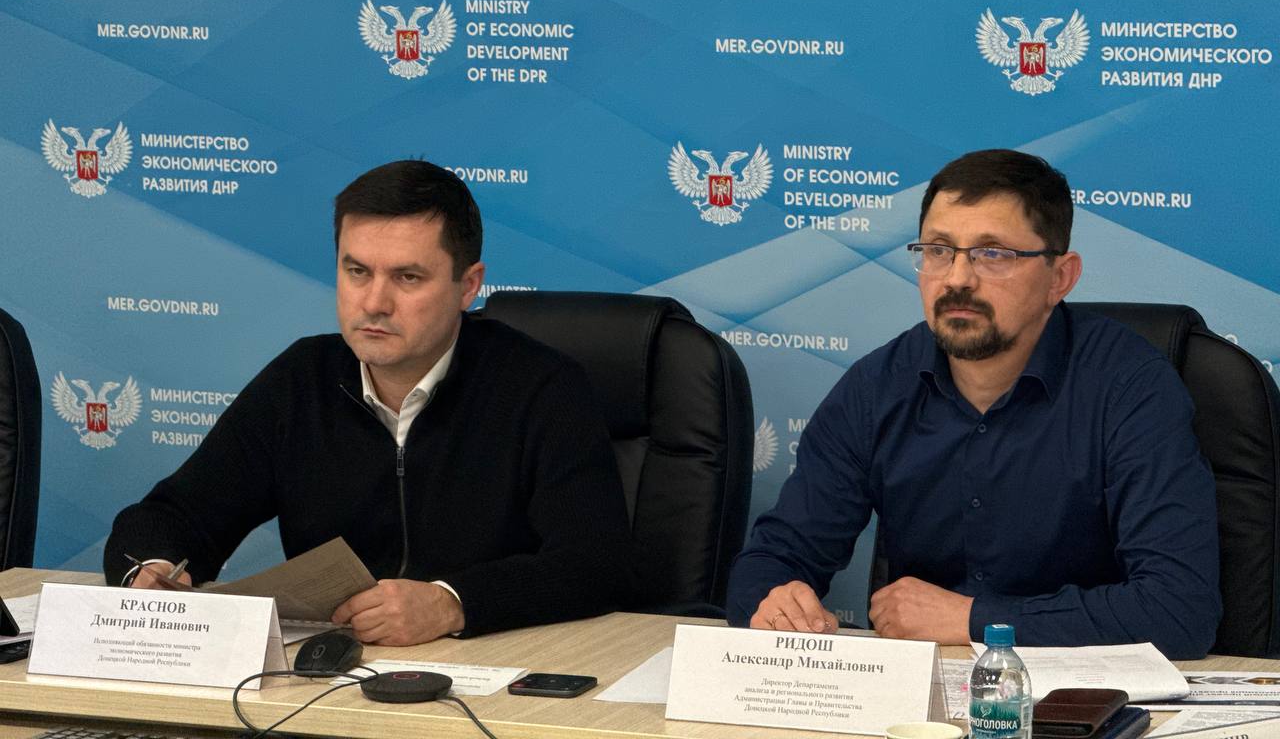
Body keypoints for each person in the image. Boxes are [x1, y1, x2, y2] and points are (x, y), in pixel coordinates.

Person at [105, 160, 633, 644]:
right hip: (337, 676)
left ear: (468, 285)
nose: (375, 303)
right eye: (357, 271)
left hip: (501, 666)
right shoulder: (301, 379)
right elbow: (173, 515)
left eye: (407, 277)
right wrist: (151, 570)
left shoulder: (540, 386)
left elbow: (596, 563)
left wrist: (452, 604)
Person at [726, 149, 1222, 659]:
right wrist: (777, 600)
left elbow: (1179, 610)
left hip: (1096, 691)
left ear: (1060, 278)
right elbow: (769, 565)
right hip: (927, 696)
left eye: (993, 254)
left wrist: (973, 618)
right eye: (939, 250)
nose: (957, 278)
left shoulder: (1129, 387)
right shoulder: (876, 388)